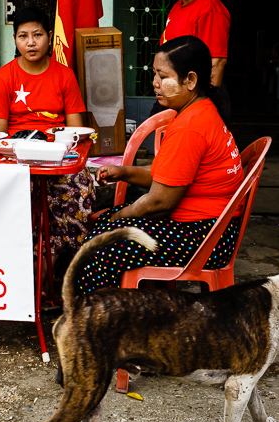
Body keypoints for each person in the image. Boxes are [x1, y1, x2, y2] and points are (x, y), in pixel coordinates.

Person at [78, 35, 243, 294]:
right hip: (212, 229)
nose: (155, 83)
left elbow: (159, 202)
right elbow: (166, 176)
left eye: (163, 76)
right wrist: (124, 172)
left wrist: (120, 218)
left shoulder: (191, 127)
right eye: (155, 74)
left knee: (97, 246)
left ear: (190, 80)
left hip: (203, 238)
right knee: (103, 223)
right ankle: (112, 311)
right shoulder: (199, 111)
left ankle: (94, 323)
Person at [0, 6, 93, 259]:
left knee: (78, 189)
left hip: (58, 157)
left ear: (49, 36)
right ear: (15, 39)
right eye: (23, 36)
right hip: (17, 157)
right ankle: (24, 263)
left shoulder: (64, 76)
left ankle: (53, 261)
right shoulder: (3, 77)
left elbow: (75, 132)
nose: (30, 43)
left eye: (37, 35)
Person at [159, 0, 231, 122]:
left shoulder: (210, 9)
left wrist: (199, 108)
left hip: (196, 100)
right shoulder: (178, 6)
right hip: (175, 94)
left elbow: (216, 64)